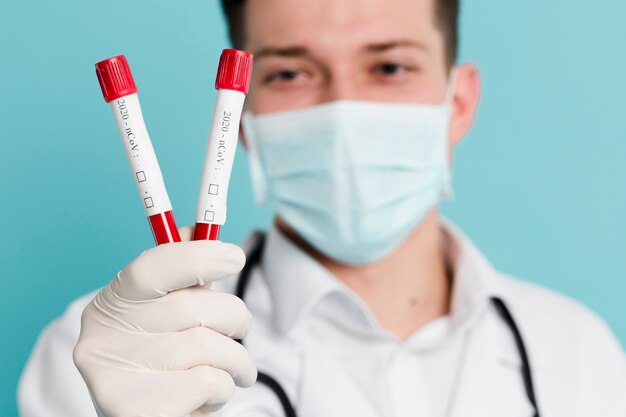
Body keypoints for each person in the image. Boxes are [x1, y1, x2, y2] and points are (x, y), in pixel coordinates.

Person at [18, 0, 626, 416]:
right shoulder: (111, 355)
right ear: (245, 120)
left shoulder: (578, 354)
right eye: (289, 73)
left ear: (458, 103)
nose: (341, 111)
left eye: (390, 66)